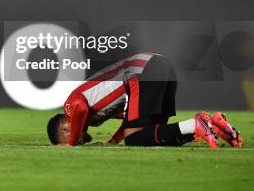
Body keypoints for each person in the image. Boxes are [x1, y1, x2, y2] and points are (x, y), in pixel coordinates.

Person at [46, 53, 242, 148]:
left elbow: (79, 111)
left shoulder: (70, 106)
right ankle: (214, 125)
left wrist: (70, 145)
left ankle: (196, 124)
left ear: (65, 129)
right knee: (151, 137)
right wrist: (113, 141)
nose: (78, 143)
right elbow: (130, 119)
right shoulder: (95, 114)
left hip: (143, 71)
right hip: (161, 66)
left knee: (135, 139)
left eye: (70, 140)